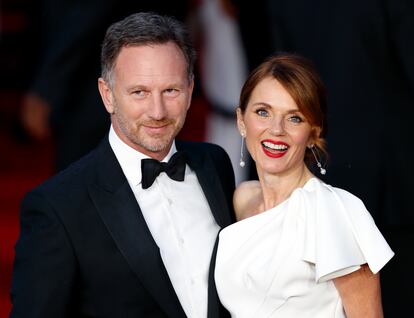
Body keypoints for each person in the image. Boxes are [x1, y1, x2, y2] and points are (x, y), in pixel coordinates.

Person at [10, 12, 235, 318]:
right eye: (139, 92)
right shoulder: (57, 207)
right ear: (108, 95)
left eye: (171, 90)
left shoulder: (214, 164)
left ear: (191, 89)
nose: (157, 111)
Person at [213, 53, 394, 317]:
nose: (276, 129)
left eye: (294, 118)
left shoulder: (337, 212)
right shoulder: (243, 198)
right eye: (263, 112)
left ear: (313, 132)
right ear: (241, 121)